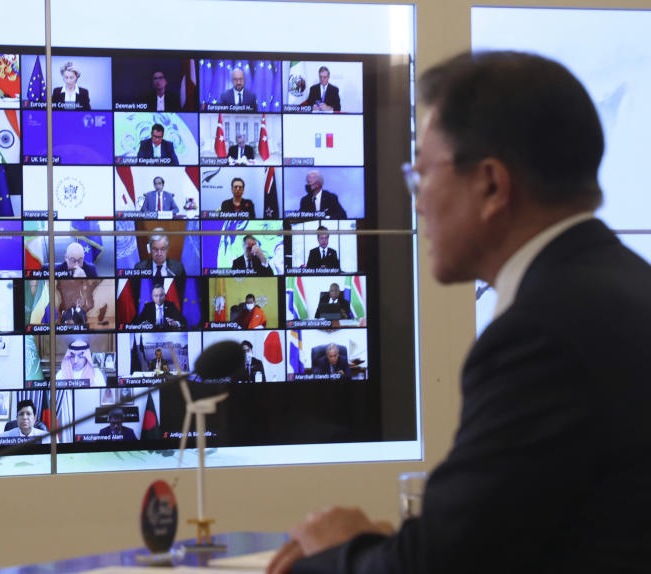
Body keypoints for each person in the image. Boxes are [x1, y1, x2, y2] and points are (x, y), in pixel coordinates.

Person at [268, 51, 651, 574]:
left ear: (492, 185)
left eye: (421, 172)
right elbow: (507, 534)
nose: (417, 201)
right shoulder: (626, 286)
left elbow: (443, 567)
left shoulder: (541, 334)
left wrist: (334, 552)